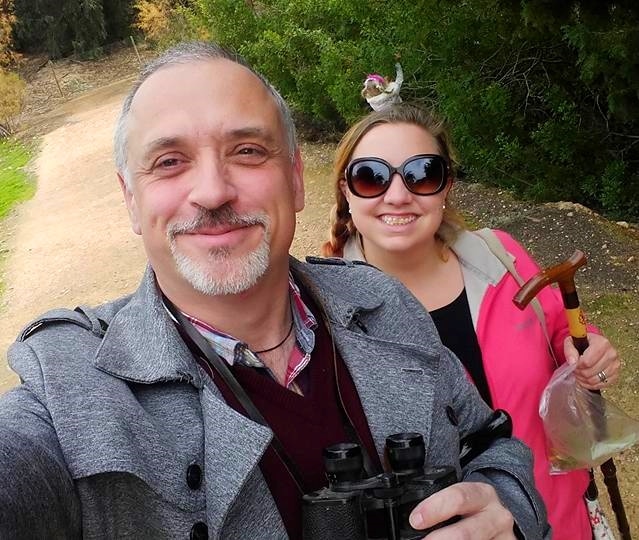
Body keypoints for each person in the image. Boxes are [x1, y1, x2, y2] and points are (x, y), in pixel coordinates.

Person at [0, 42, 549, 540]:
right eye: (169, 162)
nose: (212, 191)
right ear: (130, 199)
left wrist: (507, 508)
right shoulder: (70, 391)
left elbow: (490, 442)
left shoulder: (383, 305)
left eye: (246, 151)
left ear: (295, 178)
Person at [322, 103, 622, 540]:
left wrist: (587, 348)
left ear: (446, 186)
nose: (398, 195)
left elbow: (559, 327)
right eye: (371, 176)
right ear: (346, 192)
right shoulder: (324, 311)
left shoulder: (500, 258)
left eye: (422, 173)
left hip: (561, 520)